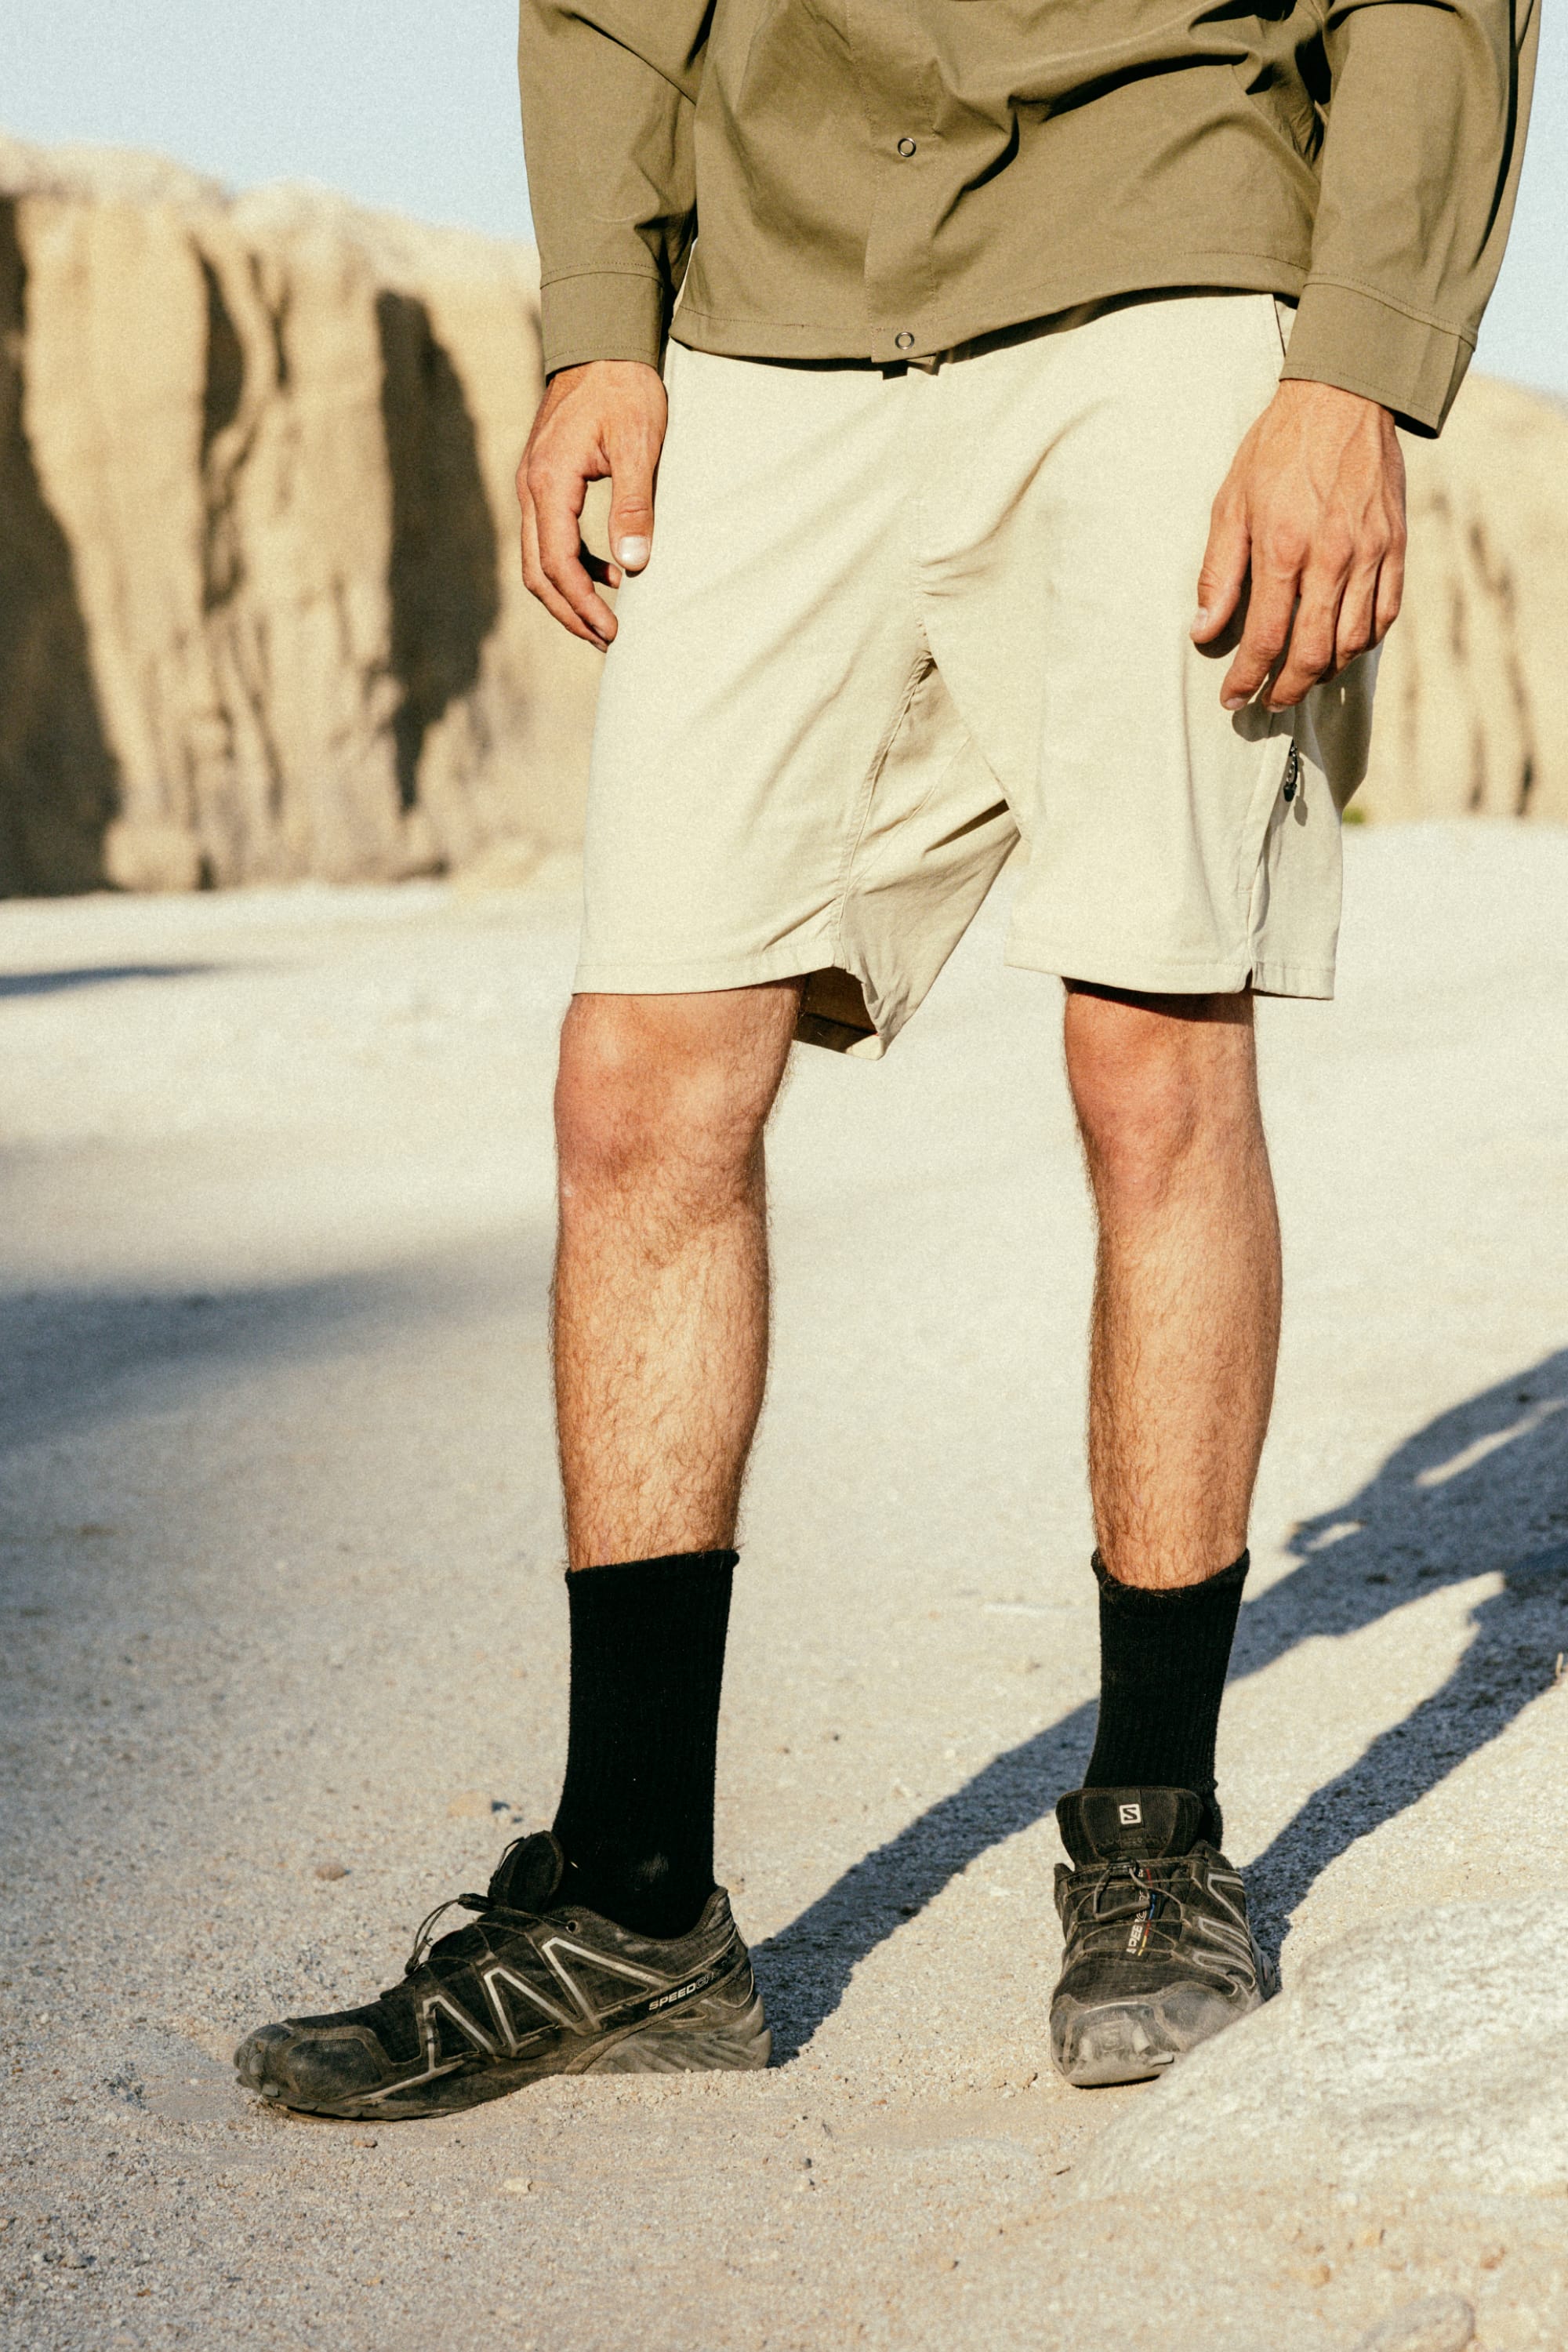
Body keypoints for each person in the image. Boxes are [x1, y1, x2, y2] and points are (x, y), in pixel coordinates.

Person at [236, 0, 1535, 2118]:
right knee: (643, 1070)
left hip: (1163, 263)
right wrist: (597, 320)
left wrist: (1358, 368)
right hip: (768, 316)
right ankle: (638, 1903)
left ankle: (1153, 1840)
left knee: (1151, 1051)